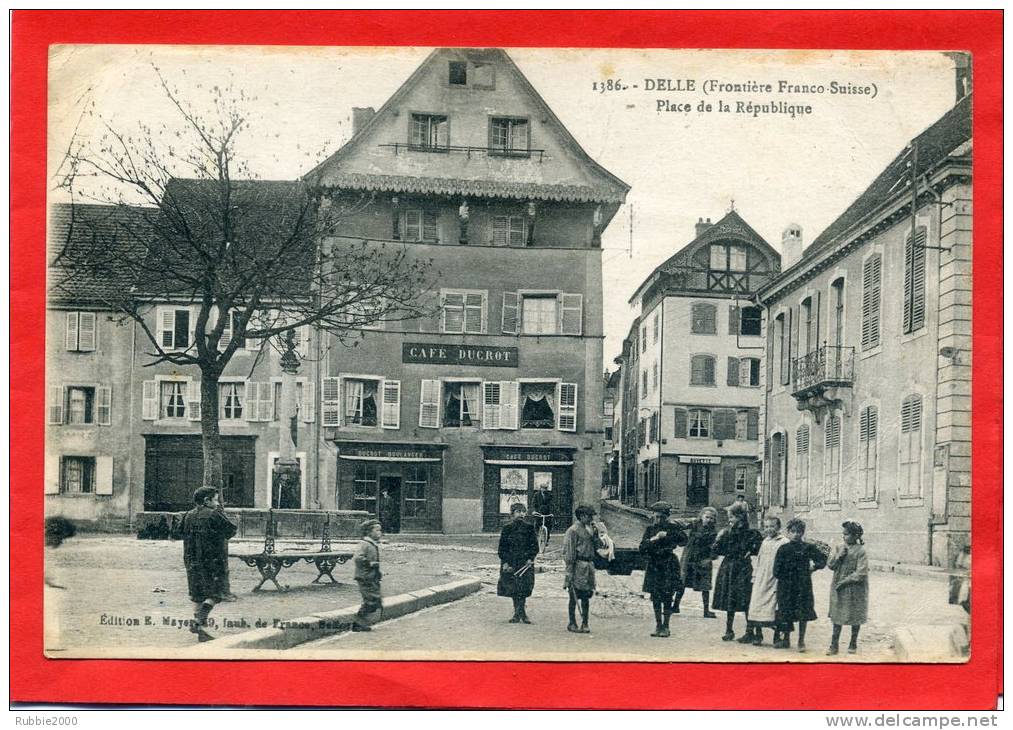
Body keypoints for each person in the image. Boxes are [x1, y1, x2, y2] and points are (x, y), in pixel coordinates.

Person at [180, 486, 237, 642]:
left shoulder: (188, 515)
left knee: (197, 596)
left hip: (191, 561)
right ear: (207, 501)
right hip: (212, 562)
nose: (218, 503)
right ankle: (199, 621)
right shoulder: (214, 514)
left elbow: (178, 533)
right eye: (216, 499)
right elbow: (231, 531)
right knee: (216, 594)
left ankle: (200, 630)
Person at [773, 518, 828, 652]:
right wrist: (785, 576)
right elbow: (776, 570)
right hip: (786, 585)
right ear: (788, 532)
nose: (796, 534)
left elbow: (822, 560)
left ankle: (801, 640)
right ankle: (786, 639)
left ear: (803, 533)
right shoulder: (783, 548)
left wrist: (813, 567)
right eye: (793, 531)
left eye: (799, 532)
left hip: (803, 585)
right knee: (786, 611)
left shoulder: (808, 547)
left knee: (803, 612)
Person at [711, 501, 762, 641]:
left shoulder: (749, 533)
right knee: (730, 598)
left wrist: (751, 549)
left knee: (745, 598)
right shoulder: (728, 532)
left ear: (740, 517)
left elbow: (757, 549)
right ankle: (729, 630)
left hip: (741, 568)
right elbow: (717, 551)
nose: (729, 520)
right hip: (729, 567)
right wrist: (718, 539)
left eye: (732, 517)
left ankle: (749, 631)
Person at [638, 501, 687, 637]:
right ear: (653, 516)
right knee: (655, 597)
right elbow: (642, 547)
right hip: (654, 565)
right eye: (657, 516)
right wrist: (654, 539)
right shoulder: (650, 530)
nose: (659, 520)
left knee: (667, 596)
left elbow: (684, 540)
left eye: (662, 517)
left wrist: (668, 535)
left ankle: (666, 626)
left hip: (668, 564)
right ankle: (658, 626)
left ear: (667, 517)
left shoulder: (672, 528)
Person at [744, 515, 789, 646]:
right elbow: (759, 559)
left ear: (779, 527)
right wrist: (755, 575)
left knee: (774, 606)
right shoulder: (765, 541)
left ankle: (777, 636)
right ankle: (758, 634)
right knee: (757, 603)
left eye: (772, 526)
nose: (769, 529)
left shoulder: (783, 541)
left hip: (775, 578)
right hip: (762, 577)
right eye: (767, 526)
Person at [827, 520, 869, 655]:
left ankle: (853, 642)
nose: (843, 537)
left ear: (856, 535)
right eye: (843, 534)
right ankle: (834, 644)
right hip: (838, 586)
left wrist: (845, 581)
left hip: (855, 588)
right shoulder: (839, 547)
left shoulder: (861, 551)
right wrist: (839, 556)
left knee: (855, 613)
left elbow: (861, 573)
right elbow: (831, 565)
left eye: (847, 534)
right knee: (837, 614)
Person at [497, 502, 539, 624]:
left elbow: (534, 546)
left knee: (524, 587)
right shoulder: (507, 528)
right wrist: (505, 562)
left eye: (523, 511)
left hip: (525, 563)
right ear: (512, 514)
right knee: (513, 588)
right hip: (511, 563)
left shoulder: (529, 528)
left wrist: (531, 558)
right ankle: (518, 613)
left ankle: (521, 612)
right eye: (518, 511)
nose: (521, 514)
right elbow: (502, 548)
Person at [674, 506, 719, 618]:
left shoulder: (714, 532)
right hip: (689, 557)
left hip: (703, 560)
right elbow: (679, 524)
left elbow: (715, 549)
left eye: (712, 518)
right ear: (701, 516)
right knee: (682, 582)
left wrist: (709, 559)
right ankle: (675, 606)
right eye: (707, 517)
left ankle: (706, 610)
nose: (709, 520)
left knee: (705, 585)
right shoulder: (694, 523)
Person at [563, 504, 600, 634]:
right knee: (574, 596)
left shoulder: (590, 529)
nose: (591, 519)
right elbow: (569, 553)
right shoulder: (573, 531)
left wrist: (596, 534)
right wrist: (569, 572)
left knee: (586, 596)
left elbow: (597, 546)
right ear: (582, 516)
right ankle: (572, 622)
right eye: (589, 516)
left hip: (589, 566)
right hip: (578, 566)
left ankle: (585, 623)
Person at [352, 519, 384, 632]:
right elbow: (358, 558)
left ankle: (362, 622)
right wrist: (370, 563)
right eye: (377, 530)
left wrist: (378, 572)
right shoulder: (364, 544)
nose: (380, 533)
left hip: (371, 577)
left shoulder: (372, 544)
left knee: (374, 599)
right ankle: (357, 623)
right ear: (369, 532)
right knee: (371, 600)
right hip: (364, 577)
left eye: (380, 530)